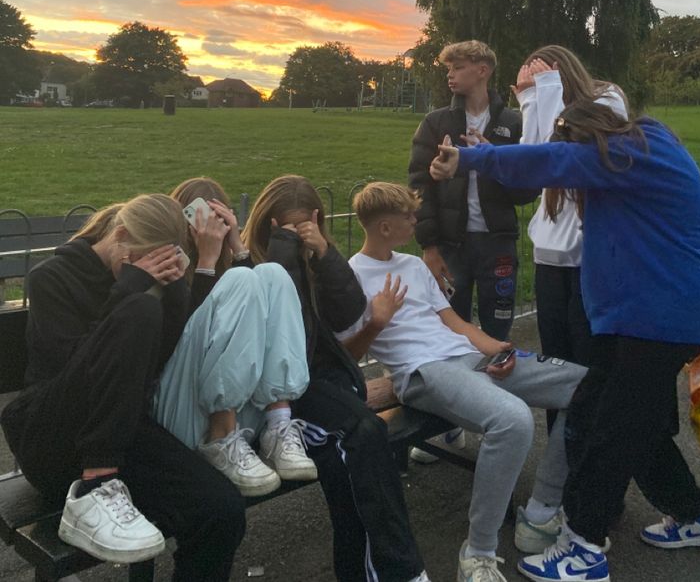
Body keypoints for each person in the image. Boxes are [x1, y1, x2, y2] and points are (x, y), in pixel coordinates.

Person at [430, 102, 700, 582]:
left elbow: (554, 161)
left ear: (589, 137)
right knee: (626, 420)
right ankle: (695, 515)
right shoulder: (636, 155)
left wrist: (471, 160)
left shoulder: (632, 150)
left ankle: (584, 548)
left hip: (660, 317)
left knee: (611, 431)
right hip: (647, 316)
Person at [341, 182, 587, 582]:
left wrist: (498, 349)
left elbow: (453, 321)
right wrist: (378, 321)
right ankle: (478, 552)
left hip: (468, 357)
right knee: (513, 419)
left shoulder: (414, 266)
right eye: (408, 217)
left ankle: (541, 511)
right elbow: (345, 356)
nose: (416, 222)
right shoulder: (353, 278)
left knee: (585, 387)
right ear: (385, 227)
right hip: (424, 371)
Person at [0, 194, 245, 579]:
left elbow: (161, 366)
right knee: (140, 309)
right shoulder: (52, 278)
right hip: (50, 437)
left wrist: (176, 292)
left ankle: (106, 480)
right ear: (119, 234)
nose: (141, 269)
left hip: (121, 433)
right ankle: (95, 486)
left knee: (222, 509)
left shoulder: (149, 282)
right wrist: (129, 291)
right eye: (136, 260)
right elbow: (73, 372)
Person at [243, 174, 430, 582]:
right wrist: (283, 257)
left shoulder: (323, 261)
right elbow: (277, 343)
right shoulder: (250, 266)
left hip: (321, 385)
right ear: (269, 225)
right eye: (286, 230)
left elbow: (348, 315)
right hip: (276, 395)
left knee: (359, 453)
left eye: (303, 227)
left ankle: (389, 571)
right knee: (359, 442)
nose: (296, 237)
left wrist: (324, 255)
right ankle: (399, 571)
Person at [154, 176, 316, 496]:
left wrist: (238, 248)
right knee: (244, 279)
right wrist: (205, 263)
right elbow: (170, 341)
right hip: (178, 418)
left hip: (241, 419)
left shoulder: (235, 270)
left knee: (270, 273)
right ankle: (220, 437)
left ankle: (278, 427)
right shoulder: (165, 265)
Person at [408, 40, 536, 340]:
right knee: (452, 330)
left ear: (482, 71)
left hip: (498, 245)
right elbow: (418, 185)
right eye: (449, 68)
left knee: (498, 328)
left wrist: (497, 160)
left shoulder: (514, 123)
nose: (449, 75)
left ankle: (497, 379)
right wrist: (429, 247)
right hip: (451, 247)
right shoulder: (435, 122)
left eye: (458, 68)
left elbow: (528, 192)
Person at [512, 47, 627, 370]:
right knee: (556, 358)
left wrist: (547, 88)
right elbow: (533, 163)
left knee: (588, 354)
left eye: (545, 81)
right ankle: (560, 423)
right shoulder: (547, 100)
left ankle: (587, 421)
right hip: (549, 254)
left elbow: (563, 153)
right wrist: (530, 101)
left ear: (560, 71)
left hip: (587, 255)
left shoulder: (607, 98)